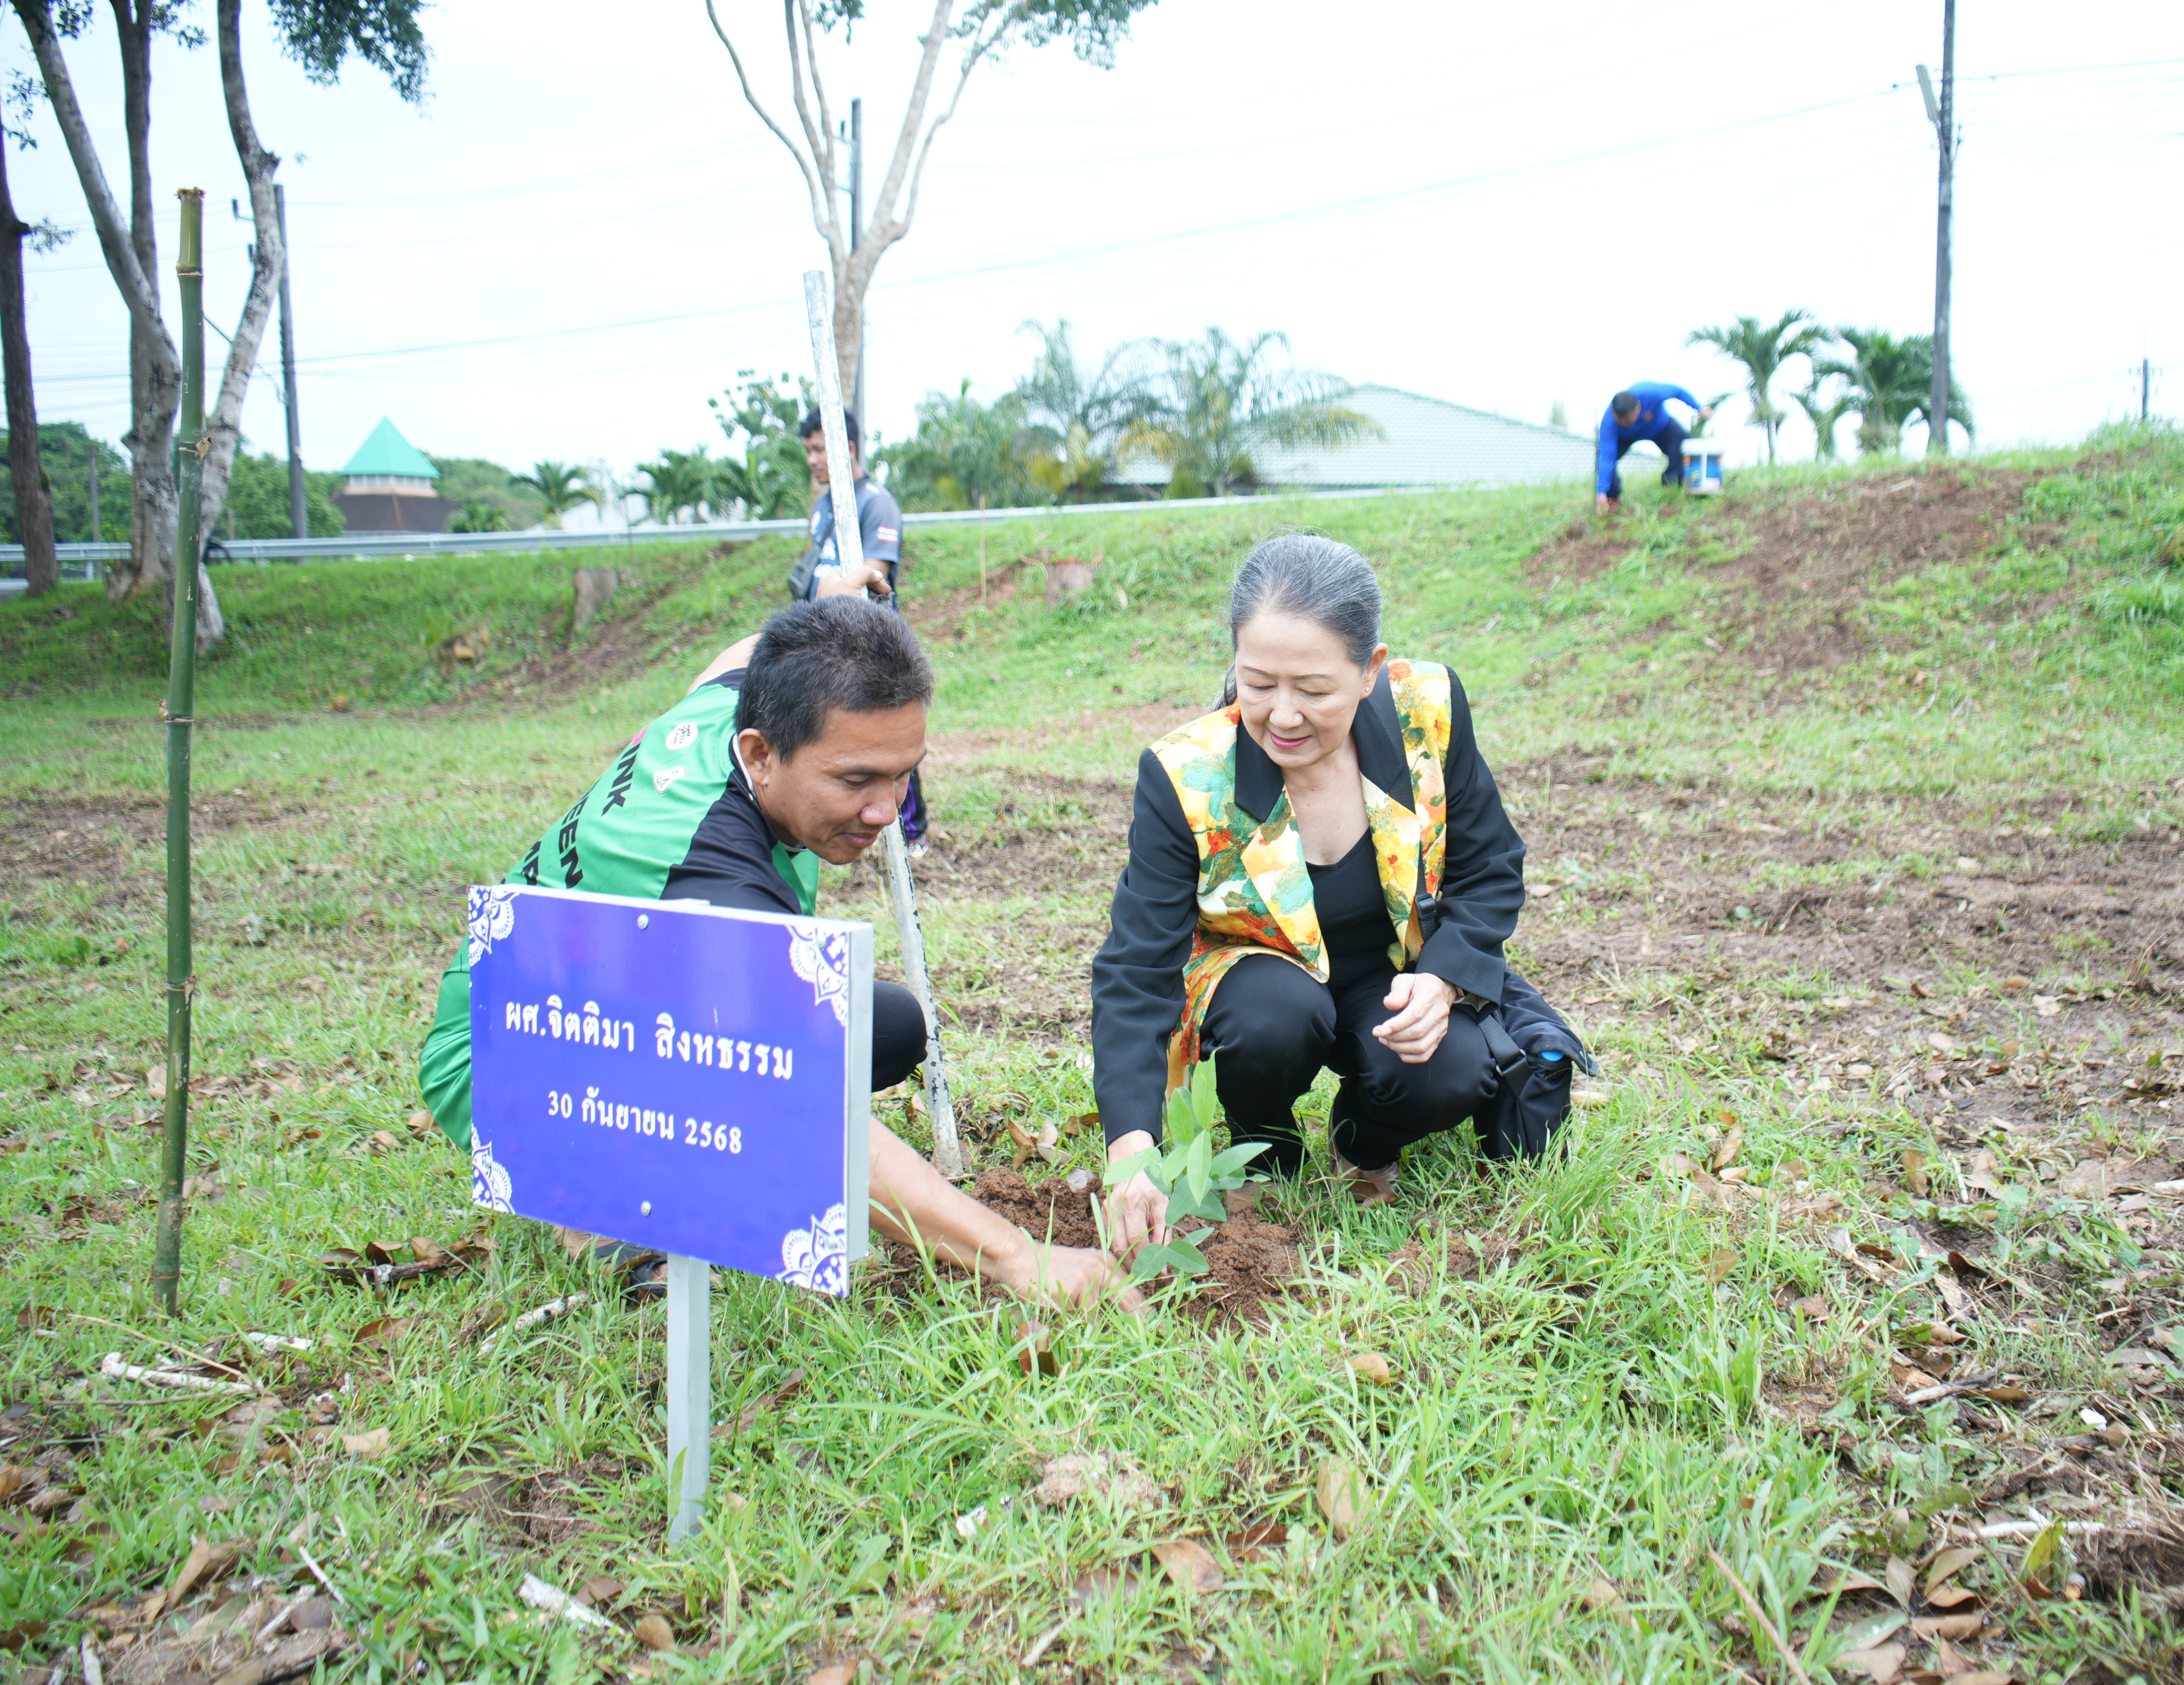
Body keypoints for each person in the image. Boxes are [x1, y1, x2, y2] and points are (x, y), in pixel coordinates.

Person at [416, 597, 1136, 1315]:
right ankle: (599, 1209)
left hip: (604, 988)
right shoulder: (715, 882)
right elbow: (810, 1115)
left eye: (903, 774)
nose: (887, 811)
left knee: (887, 1026)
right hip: (506, 1061)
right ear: (762, 754)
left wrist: (836, 591)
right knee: (767, 1087)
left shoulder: (742, 700)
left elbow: (743, 652)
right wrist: (1019, 1256)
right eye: (855, 780)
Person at [1091, 534, 1573, 1257]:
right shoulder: (1187, 775)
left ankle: (1365, 1138)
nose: (1283, 717)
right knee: (1275, 1018)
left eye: (1313, 691)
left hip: (1389, 975)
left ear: (1370, 671)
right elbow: (1136, 967)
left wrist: (1442, 982)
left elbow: (1490, 866)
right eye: (1258, 684)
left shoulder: (1426, 712)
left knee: (1453, 1070)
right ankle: (1264, 1144)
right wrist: (1131, 1149)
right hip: (1257, 986)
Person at [795, 405, 927, 852]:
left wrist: (835, 603)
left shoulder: (876, 504)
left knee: (890, 742)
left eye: (819, 449)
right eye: (809, 451)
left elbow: (873, 575)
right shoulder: (822, 507)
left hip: (869, 644)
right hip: (822, 640)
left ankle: (912, 833)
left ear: (846, 448)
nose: (813, 460)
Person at [1594, 381, 1710, 513]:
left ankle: (1671, 488)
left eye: (1627, 420)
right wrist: (1601, 492)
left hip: (1660, 428)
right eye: (1619, 420)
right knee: (1601, 455)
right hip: (1625, 438)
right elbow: (1606, 458)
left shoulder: (1650, 392)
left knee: (1684, 443)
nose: (1623, 423)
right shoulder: (1609, 423)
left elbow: (1678, 392)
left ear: (1638, 407)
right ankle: (1612, 498)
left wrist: (1700, 408)